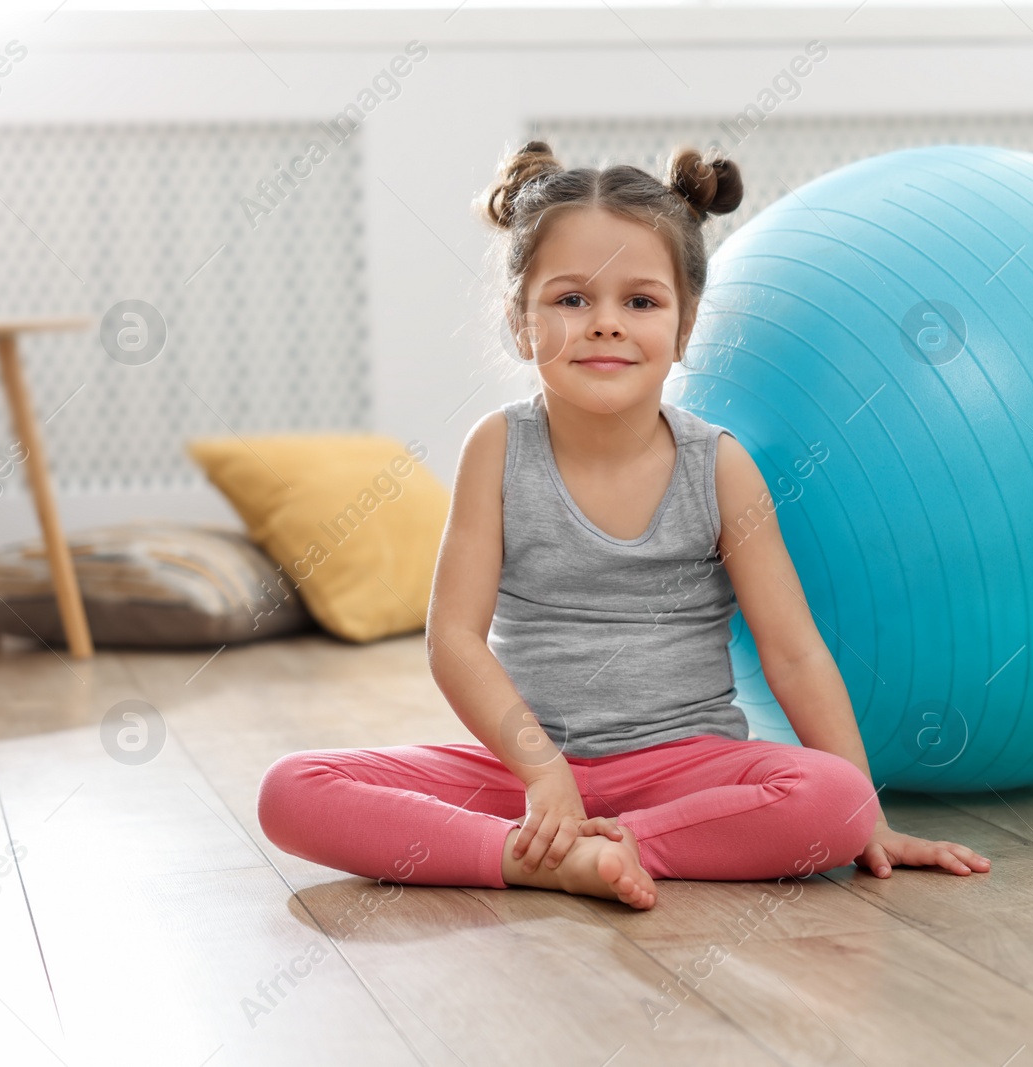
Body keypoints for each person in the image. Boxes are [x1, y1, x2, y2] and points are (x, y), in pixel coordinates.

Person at [258, 140, 990, 909]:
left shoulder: (721, 467)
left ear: (684, 328)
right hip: (524, 769)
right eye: (572, 299)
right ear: (519, 321)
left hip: (686, 771)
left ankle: (623, 846)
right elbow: (454, 641)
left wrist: (864, 814)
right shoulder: (498, 449)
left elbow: (794, 651)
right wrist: (544, 772)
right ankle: (531, 856)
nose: (605, 323)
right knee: (293, 789)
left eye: (640, 302)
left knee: (832, 798)